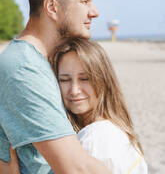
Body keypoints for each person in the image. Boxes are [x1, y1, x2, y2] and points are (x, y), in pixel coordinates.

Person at [0, 0, 113, 174]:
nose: (94, 12)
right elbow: (77, 169)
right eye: (85, 1)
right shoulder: (23, 68)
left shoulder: (39, 62)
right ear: (52, 7)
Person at [4, 37, 148, 173]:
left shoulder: (93, 139)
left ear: (104, 81)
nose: (74, 90)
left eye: (84, 78)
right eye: (64, 80)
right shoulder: (117, 131)